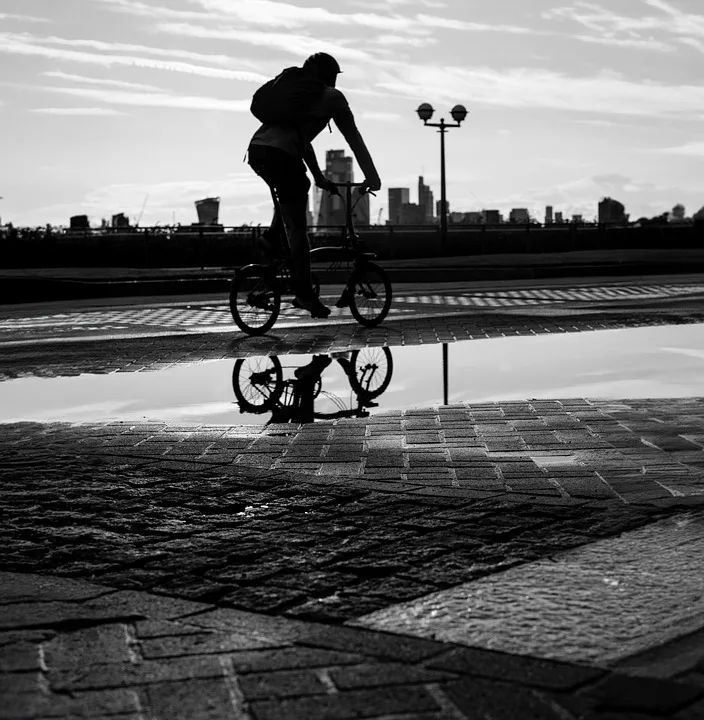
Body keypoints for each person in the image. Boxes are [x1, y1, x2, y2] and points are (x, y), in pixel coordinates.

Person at [246, 52, 382, 318]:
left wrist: (319, 177)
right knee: (298, 230)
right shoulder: (332, 98)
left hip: (258, 151)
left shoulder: (296, 98)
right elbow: (353, 137)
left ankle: (271, 240)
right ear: (329, 76)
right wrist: (373, 176)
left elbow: (301, 142)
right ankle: (304, 294)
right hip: (282, 155)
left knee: (294, 192)